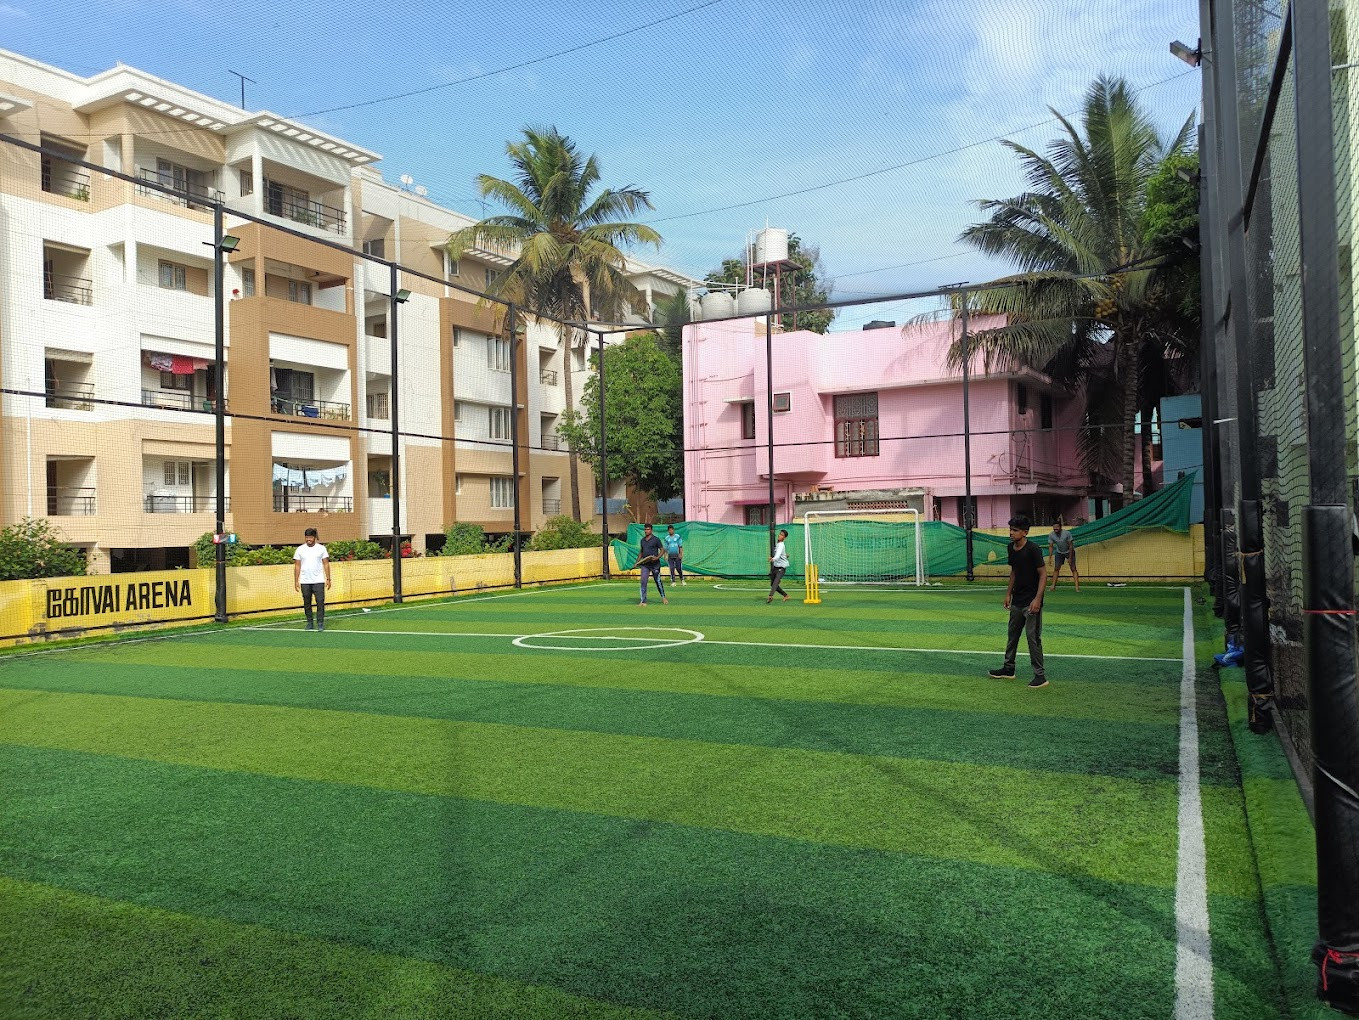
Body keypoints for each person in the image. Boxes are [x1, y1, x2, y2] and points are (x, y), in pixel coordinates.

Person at [990, 514, 1048, 687]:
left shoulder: (1033, 549)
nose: (1011, 533)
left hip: (1031, 601)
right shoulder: (1010, 548)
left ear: (1025, 532)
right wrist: (1008, 593)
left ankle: (1040, 676)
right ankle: (1008, 669)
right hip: (1017, 600)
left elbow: (1043, 574)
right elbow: (1014, 571)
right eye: (1010, 530)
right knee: (1012, 635)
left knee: (1032, 638)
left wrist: (1037, 599)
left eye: (1015, 530)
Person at [293, 527, 332, 631]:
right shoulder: (300, 549)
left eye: (310, 537)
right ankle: (309, 622)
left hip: (318, 581)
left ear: (314, 537)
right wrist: (296, 580)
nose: (308, 539)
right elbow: (297, 566)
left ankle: (320, 623)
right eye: (306, 537)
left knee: (320, 601)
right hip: (305, 581)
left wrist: (328, 579)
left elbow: (326, 564)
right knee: (307, 602)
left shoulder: (321, 548)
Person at [637, 523, 668, 606]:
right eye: (645, 529)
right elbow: (641, 552)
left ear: (651, 530)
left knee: (658, 581)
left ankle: (663, 597)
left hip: (655, 565)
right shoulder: (642, 540)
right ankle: (643, 601)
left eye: (648, 529)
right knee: (643, 581)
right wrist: (637, 562)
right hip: (645, 565)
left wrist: (657, 557)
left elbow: (662, 550)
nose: (646, 531)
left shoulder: (656, 539)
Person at [1047, 517, 1080, 593]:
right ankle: (1053, 587)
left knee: (1073, 569)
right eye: (1054, 528)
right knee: (1056, 568)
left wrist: (1070, 557)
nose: (1055, 529)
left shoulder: (1066, 533)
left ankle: (1077, 588)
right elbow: (1051, 546)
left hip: (1069, 552)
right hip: (1059, 552)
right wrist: (1050, 557)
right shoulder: (1051, 535)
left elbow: (1071, 546)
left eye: (1057, 527)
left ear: (1060, 527)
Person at [767, 528, 790, 603]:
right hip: (776, 567)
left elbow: (777, 555)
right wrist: (785, 555)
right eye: (780, 534)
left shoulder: (781, 545)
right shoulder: (778, 544)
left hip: (781, 568)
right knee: (772, 584)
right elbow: (780, 554)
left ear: (784, 538)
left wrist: (773, 559)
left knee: (775, 582)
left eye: (782, 535)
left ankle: (770, 596)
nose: (780, 535)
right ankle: (786, 595)